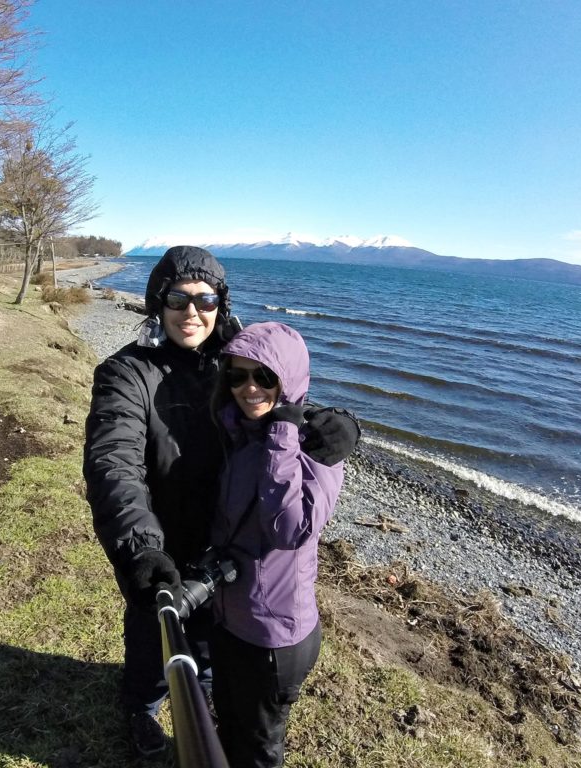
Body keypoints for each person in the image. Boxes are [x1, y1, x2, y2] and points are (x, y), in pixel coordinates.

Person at [83, 245, 359, 756]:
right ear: (156, 303)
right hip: (162, 537)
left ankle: (204, 689)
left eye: (206, 299)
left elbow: (280, 386)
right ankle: (142, 706)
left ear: (221, 304)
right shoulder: (127, 374)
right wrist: (141, 547)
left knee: (214, 638)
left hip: (228, 540)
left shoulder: (237, 358)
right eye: (178, 298)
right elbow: (113, 464)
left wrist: (340, 424)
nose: (193, 312)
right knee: (153, 633)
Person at [208, 321, 345, 767]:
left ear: (288, 382)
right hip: (231, 616)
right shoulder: (236, 431)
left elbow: (289, 529)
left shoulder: (317, 449)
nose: (249, 388)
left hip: (274, 635)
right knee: (228, 720)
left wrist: (285, 432)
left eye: (264, 377)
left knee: (259, 747)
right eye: (238, 375)